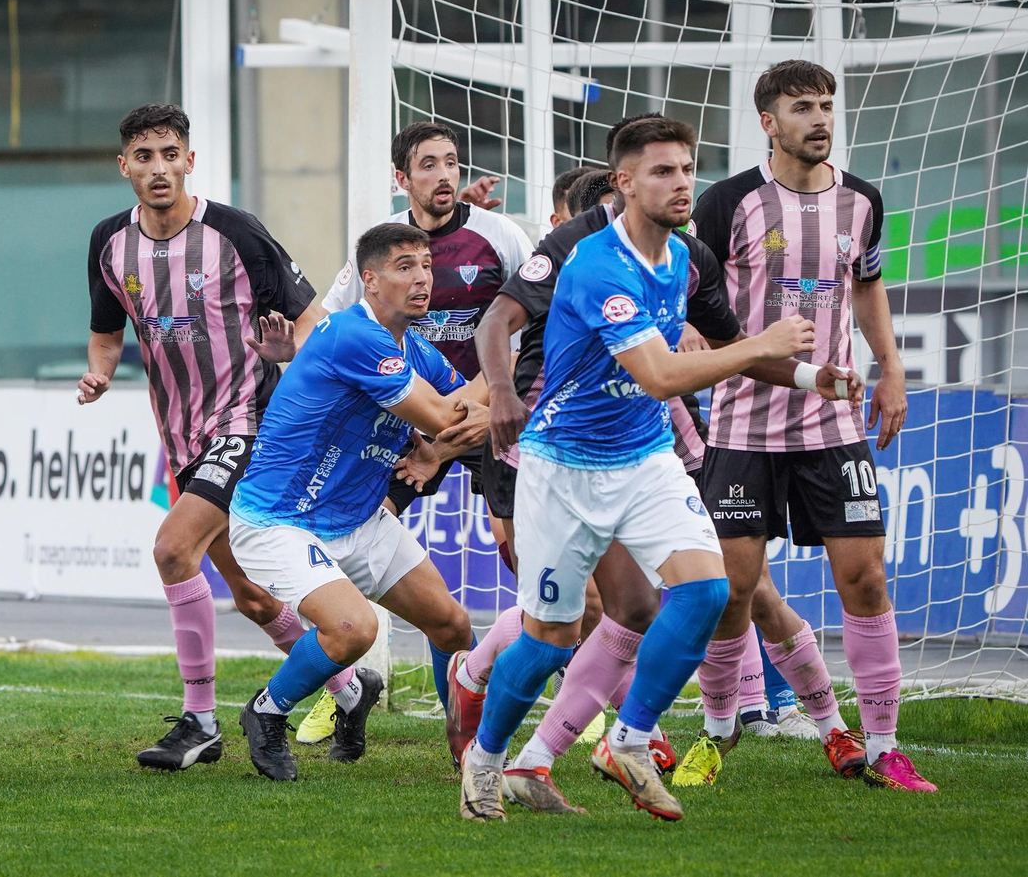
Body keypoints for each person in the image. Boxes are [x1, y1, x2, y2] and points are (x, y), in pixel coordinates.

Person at [450, 113, 859, 792]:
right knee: (551, 632)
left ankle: (629, 739)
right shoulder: (594, 264)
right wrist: (499, 390)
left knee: (705, 590)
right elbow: (662, 375)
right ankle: (488, 763)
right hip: (562, 466)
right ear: (624, 182)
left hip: (644, 456)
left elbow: (734, 346)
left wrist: (816, 376)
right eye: (664, 170)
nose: (682, 183)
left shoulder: (688, 258)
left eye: (688, 168)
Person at [677, 60, 933, 792]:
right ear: (768, 121)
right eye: (802, 107)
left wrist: (890, 367)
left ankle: (882, 743)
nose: (820, 119)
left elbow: (869, 285)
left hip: (833, 423)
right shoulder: (728, 203)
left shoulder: (863, 201)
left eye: (826, 106)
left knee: (866, 578)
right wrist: (694, 337)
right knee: (730, 590)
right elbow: (686, 287)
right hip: (742, 426)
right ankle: (719, 730)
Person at [80, 103, 351, 771]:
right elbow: (107, 332)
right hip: (182, 436)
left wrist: (295, 370)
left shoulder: (235, 233)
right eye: (144, 157)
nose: (159, 167)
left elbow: (312, 320)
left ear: (189, 160)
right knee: (254, 596)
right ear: (125, 167)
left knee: (174, 548)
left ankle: (199, 720)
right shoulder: (110, 243)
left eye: (170, 154)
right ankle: (349, 684)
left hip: (247, 419)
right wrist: (98, 373)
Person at [229, 222, 482, 781]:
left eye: (425, 264)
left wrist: (454, 433)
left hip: (358, 518)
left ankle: (465, 747)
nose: (422, 278)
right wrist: (495, 390)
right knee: (353, 629)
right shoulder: (353, 335)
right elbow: (448, 415)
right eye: (404, 266)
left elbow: (462, 403)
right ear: (369, 280)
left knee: (452, 625)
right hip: (280, 519)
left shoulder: (415, 347)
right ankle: (265, 714)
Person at [308, 121, 529, 736]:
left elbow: (527, 334)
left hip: (485, 417)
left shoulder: (499, 236)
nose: (445, 176)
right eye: (428, 165)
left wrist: (446, 436)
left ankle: (575, 686)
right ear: (401, 178)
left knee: (534, 560)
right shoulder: (378, 249)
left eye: (452, 162)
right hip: (399, 426)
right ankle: (342, 682)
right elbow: (330, 325)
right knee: (338, 546)